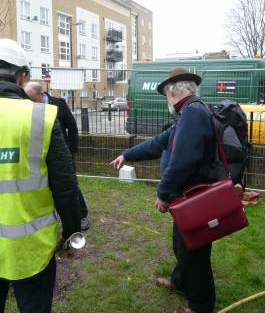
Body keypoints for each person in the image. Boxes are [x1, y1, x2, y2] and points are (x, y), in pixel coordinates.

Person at [111, 68, 216, 313]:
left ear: (171, 93)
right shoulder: (189, 113)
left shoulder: (193, 114)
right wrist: (127, 155)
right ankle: (180, 282)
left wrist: (163, 193)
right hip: (188, 196)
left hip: (195, 196)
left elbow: (183, 161)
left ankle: (200, 305)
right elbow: (159, 143)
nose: (165, 100)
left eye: (165, 96)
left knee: (194, 251)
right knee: (183, 245)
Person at [0, 39, 81, 313]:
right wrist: (71, 232)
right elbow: (66, 186)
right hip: (31, 248)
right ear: (21, 76)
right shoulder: (40, 117)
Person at [24, 81, 90, 231]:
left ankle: (82, 215)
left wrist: (71, 151)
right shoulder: (28, 107)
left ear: (42, 95)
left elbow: (72, 127)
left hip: (62, 153)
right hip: (40, 153)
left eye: (33, 100)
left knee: (71, 183)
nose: (30, 103)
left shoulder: (59, 104)